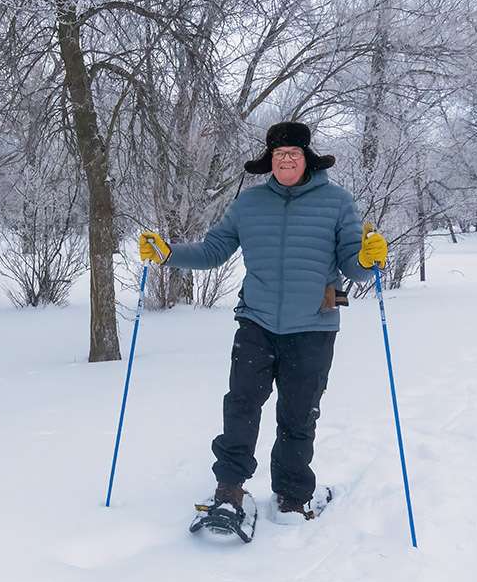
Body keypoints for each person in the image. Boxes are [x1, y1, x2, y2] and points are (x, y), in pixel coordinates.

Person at [139, 121, 388, 520]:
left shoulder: (337, 201)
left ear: (307, 158)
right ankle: (230, 487)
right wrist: (168, 253)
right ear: (269, 161)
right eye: (278, 155)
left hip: (313, 327)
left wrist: (366, 258)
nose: (286, 160)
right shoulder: (249, 204)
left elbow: (353, 267)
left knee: (298, 413)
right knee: (241, 405)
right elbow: (212, 251)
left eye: (293, 154)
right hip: (256, 323)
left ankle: (292, 495)